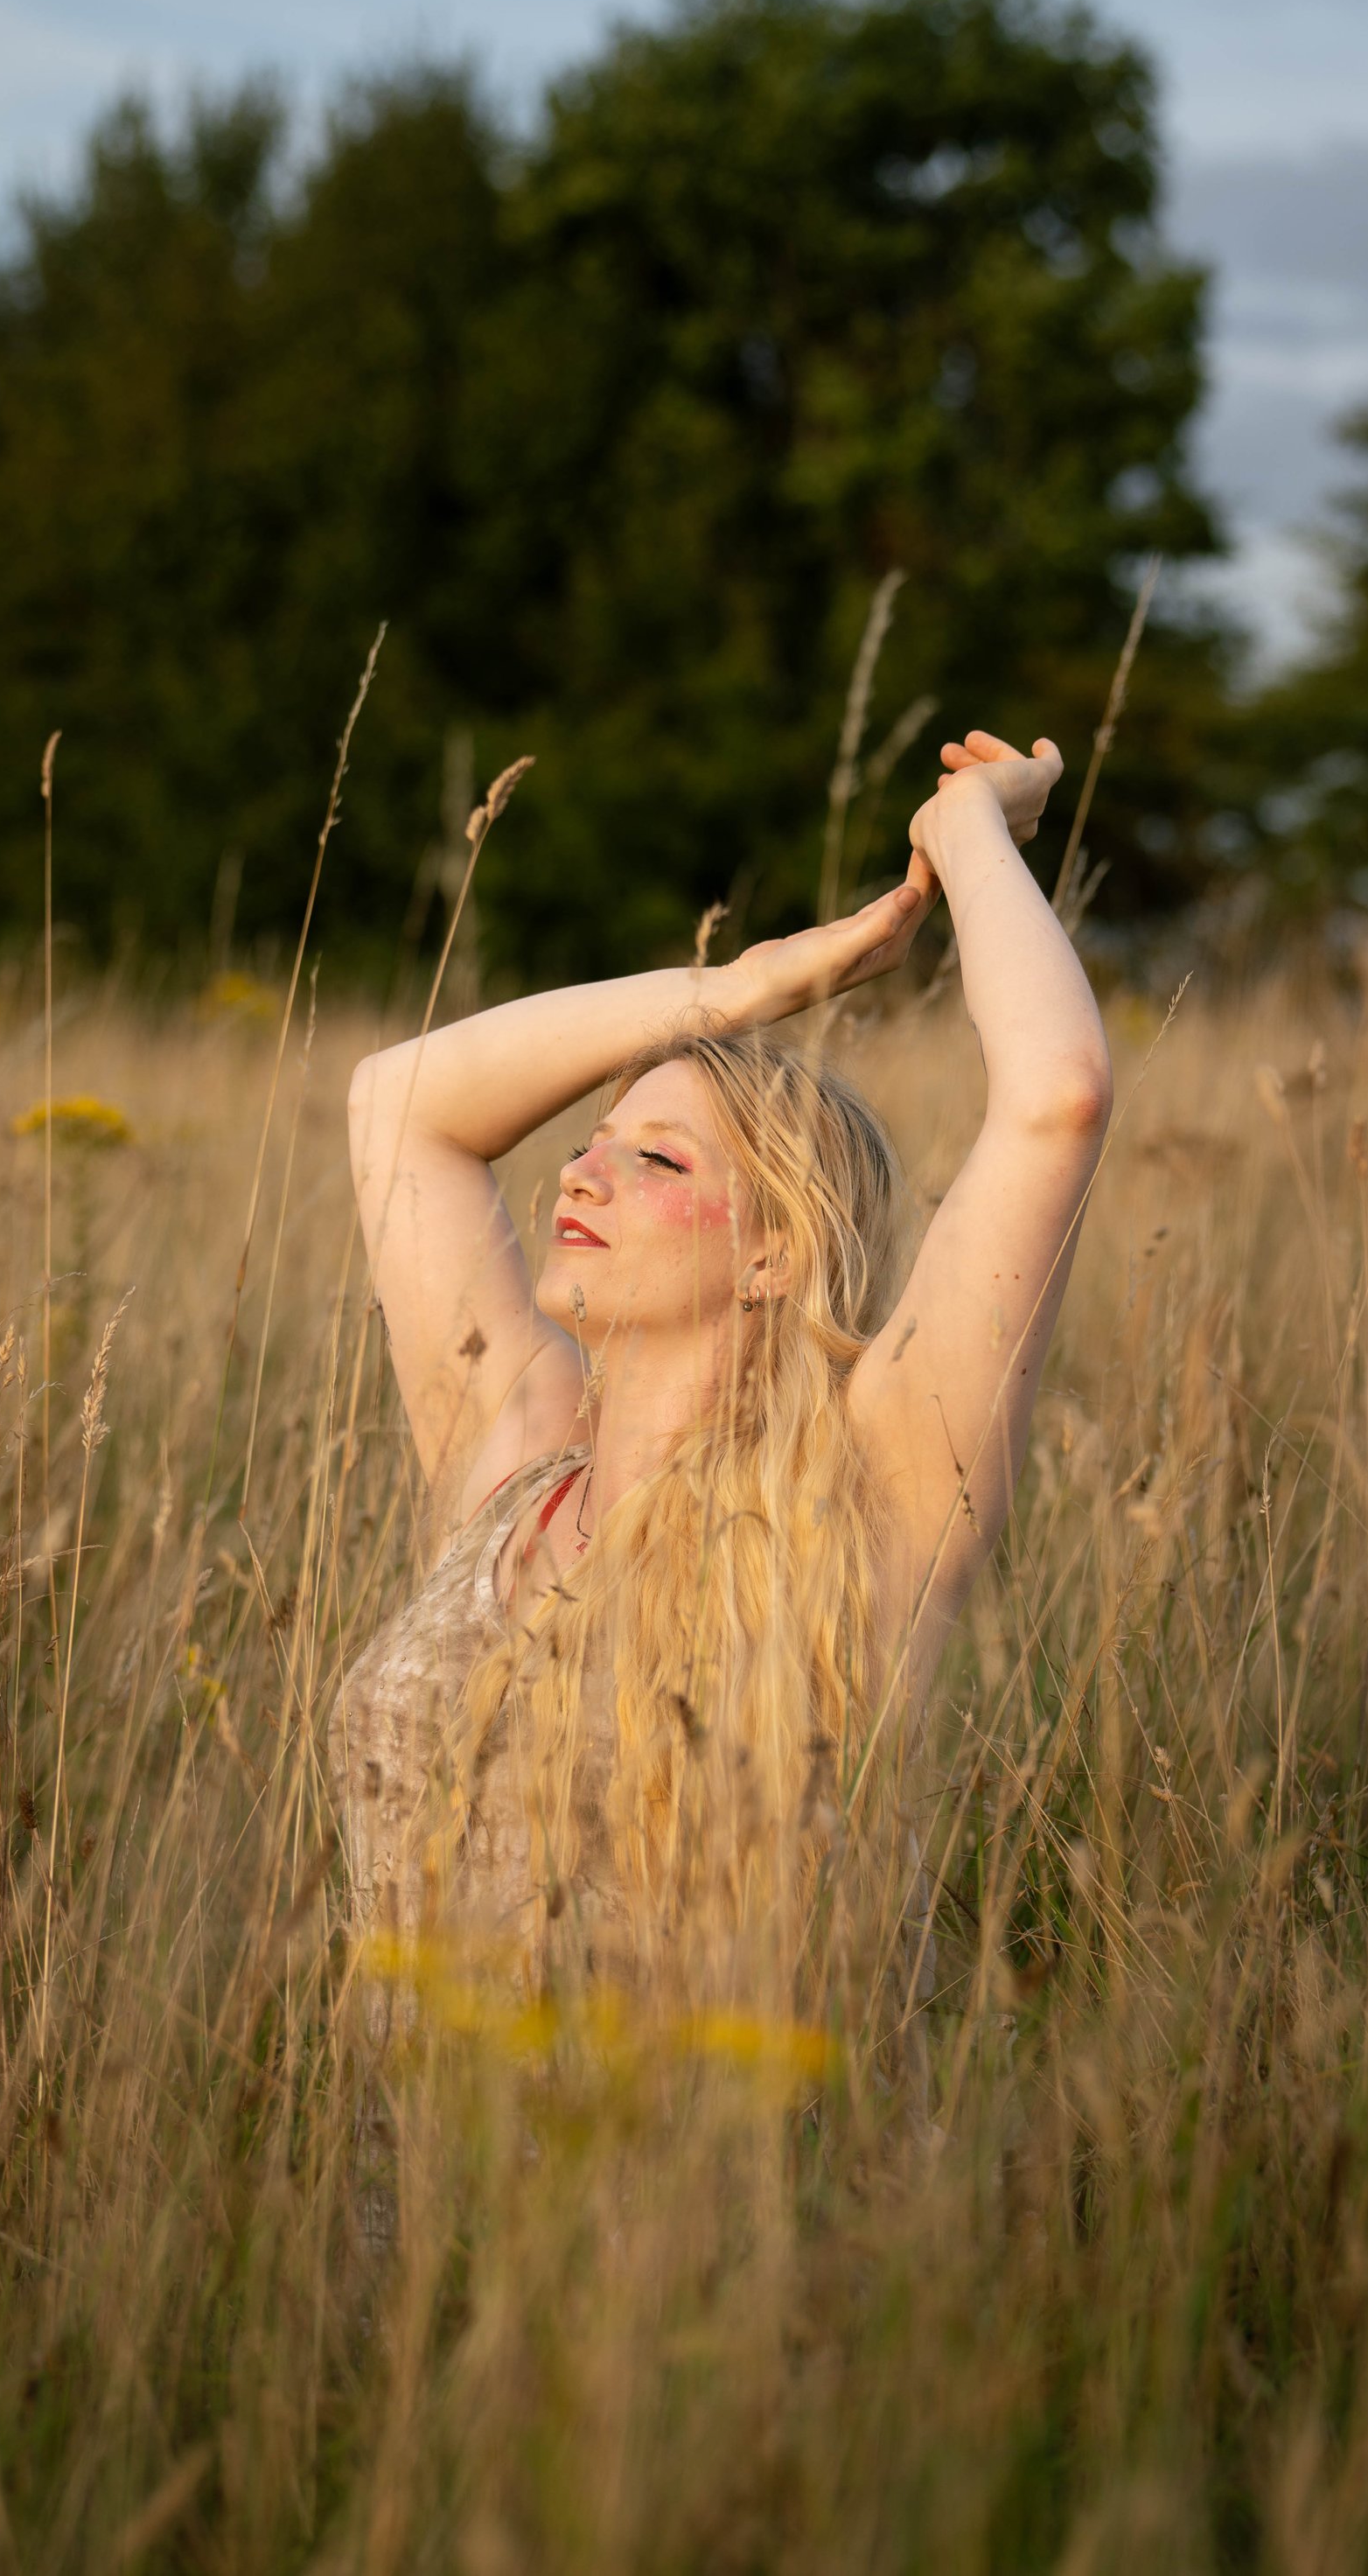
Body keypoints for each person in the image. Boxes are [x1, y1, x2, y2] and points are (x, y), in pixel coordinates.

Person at [333, 728, 1111, 1991]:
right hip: (424, 2185)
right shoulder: (516, 1460)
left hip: (726, 2179)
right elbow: (399, 1104)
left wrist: (969, 826)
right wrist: (740, 987)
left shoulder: (869, 1495)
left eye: (663, 1160)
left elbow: (1057, 1096)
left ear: (773, 1257)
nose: (583, 1170)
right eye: (596, 1140)